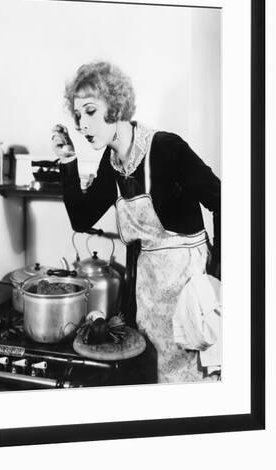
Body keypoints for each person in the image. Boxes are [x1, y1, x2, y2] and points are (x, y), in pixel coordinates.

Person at [51, 61, 221, 384]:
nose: (82, 124)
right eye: (77, 116)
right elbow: (81, 218)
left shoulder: (166, 149)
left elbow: (224, 200)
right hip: (148, 297)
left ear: (114, 107)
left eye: (90, 111)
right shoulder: (113, 161)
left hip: (189, 295)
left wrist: (216, 278)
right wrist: (69, 161)